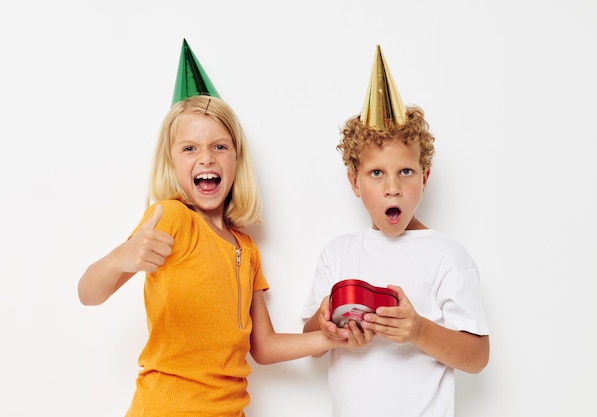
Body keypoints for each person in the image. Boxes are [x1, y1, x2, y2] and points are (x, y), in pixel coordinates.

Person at [78, 39, 366, 417]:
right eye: (189, 149)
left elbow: (263, 347)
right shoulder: (172, 217)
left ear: (236, 157)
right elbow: (88, 293)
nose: (206, 158)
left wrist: (330, 339)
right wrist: (121, 258)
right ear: (172, 161)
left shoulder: (246, 249)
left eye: (219, 146)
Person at [301, 45, 490, 417]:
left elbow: (477, 357)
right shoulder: (337, 253)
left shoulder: (447, 255)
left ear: (425, 177)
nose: (393, 188)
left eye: (405, 171)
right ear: (354, 183)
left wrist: (419, 330)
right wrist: (326, 322)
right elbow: (313, 343)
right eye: (376, 173)